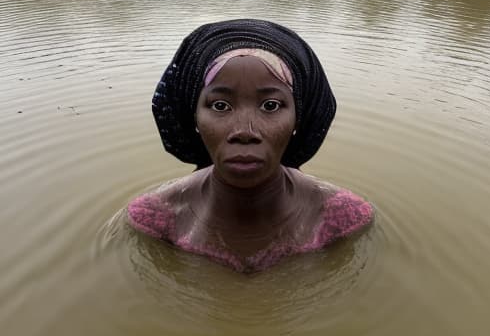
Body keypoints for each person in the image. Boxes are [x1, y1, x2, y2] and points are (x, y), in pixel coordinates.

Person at [127, 19, 373, 273]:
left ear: (299, 118)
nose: (245, 131)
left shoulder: (343, 220)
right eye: (220, 106)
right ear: (194, 118)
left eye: (271, 105)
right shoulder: (156, 221)